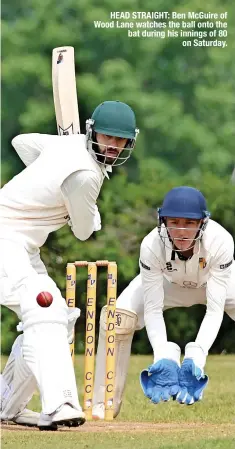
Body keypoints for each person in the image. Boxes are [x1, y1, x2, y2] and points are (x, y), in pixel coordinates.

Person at [0, 101, 139, 429]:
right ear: (93, 131)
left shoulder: (64, 144)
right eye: (107, 137)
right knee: (44, 309)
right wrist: (89, 210)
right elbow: (82, 231)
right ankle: (60, 403)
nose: (113, 146)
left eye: (120, 141)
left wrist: (49, 172)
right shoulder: (86, 174)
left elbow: (21, 142)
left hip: (23, 245)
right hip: (4, 239)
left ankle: (9, 405)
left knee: (57, 319)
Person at [92, 186, 235, 418]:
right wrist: (162, 354)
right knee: (116, 318)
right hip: (168, 284)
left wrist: (197, 355)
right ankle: (101, 403)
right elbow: (152, 308)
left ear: (202, 222)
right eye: (174, 221)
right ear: (163, 221)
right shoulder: (151, 245)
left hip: (213, 282)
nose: (181, 230)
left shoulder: (221, 242)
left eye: (189, 223)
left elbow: (215, 309)